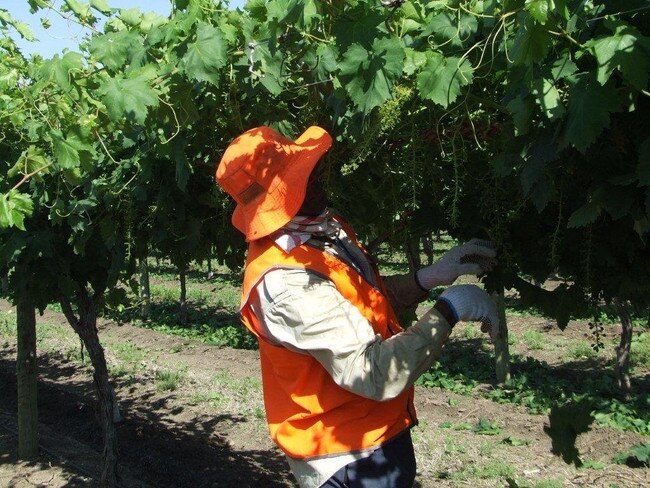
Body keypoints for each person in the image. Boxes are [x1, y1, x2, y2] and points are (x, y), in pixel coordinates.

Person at [216, 125, 499, 488]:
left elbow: (363, 300)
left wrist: (426, 278)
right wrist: (450, 309)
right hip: (345, 458)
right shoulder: (284, 283)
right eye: (302, 176)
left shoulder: (319, 229)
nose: (317, 175)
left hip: (376, 434)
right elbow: (373, 373)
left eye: (309, 168)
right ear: (279, 200)